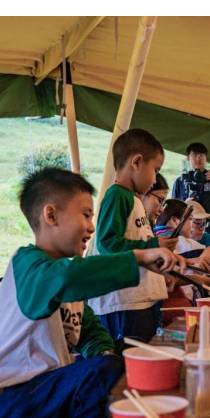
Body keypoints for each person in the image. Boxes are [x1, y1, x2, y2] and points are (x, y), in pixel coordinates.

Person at [0, 168, 181, 418]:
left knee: (127, 353)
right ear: (51, 215)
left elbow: (90, 331)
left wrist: (106, 352)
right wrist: (138, 257)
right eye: (85, 215)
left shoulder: (62, 273)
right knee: (105, 370)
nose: (92, 226)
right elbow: (67, 279)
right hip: (7, 398)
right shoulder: (28, 265)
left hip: (46, 386)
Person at [88, 129, 180, 344]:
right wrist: (154, 244)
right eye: (155, 170)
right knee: (128, 368)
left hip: (138, 300)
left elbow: (137, 244)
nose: (155, 178)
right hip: (122, 303)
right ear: (137, 162)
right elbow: (108, 243)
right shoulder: (117, 195)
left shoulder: (133, 199)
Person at [171, 142, 210, 237]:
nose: (198, 159)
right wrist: (185, 205)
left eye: (201, 155)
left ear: (206, 157)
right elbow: (172, 210)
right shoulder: (181, 181)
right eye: (194, 155)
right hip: (188, 233)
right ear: (188, 158)